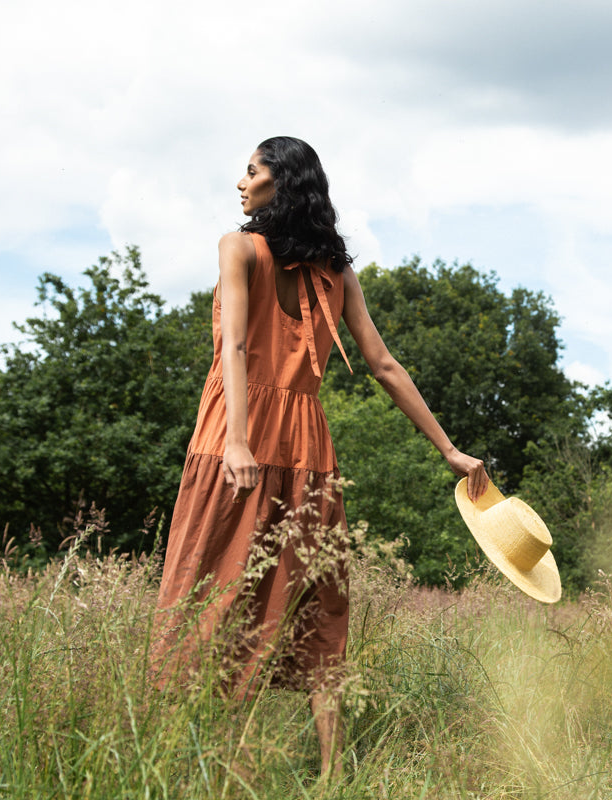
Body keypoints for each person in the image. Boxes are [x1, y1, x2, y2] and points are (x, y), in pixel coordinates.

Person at [151, 136, 488, 778]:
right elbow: (384, 367)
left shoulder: (240, 247)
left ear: (280, 183)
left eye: (251, 171)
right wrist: (447, 449)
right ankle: (319, 775)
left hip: (237, 436)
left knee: (209, 593)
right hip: (306, 445)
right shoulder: (335, 269)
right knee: (312, 604)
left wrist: (240, 443)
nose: (240, 182)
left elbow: (235, 351)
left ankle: (196, 762)